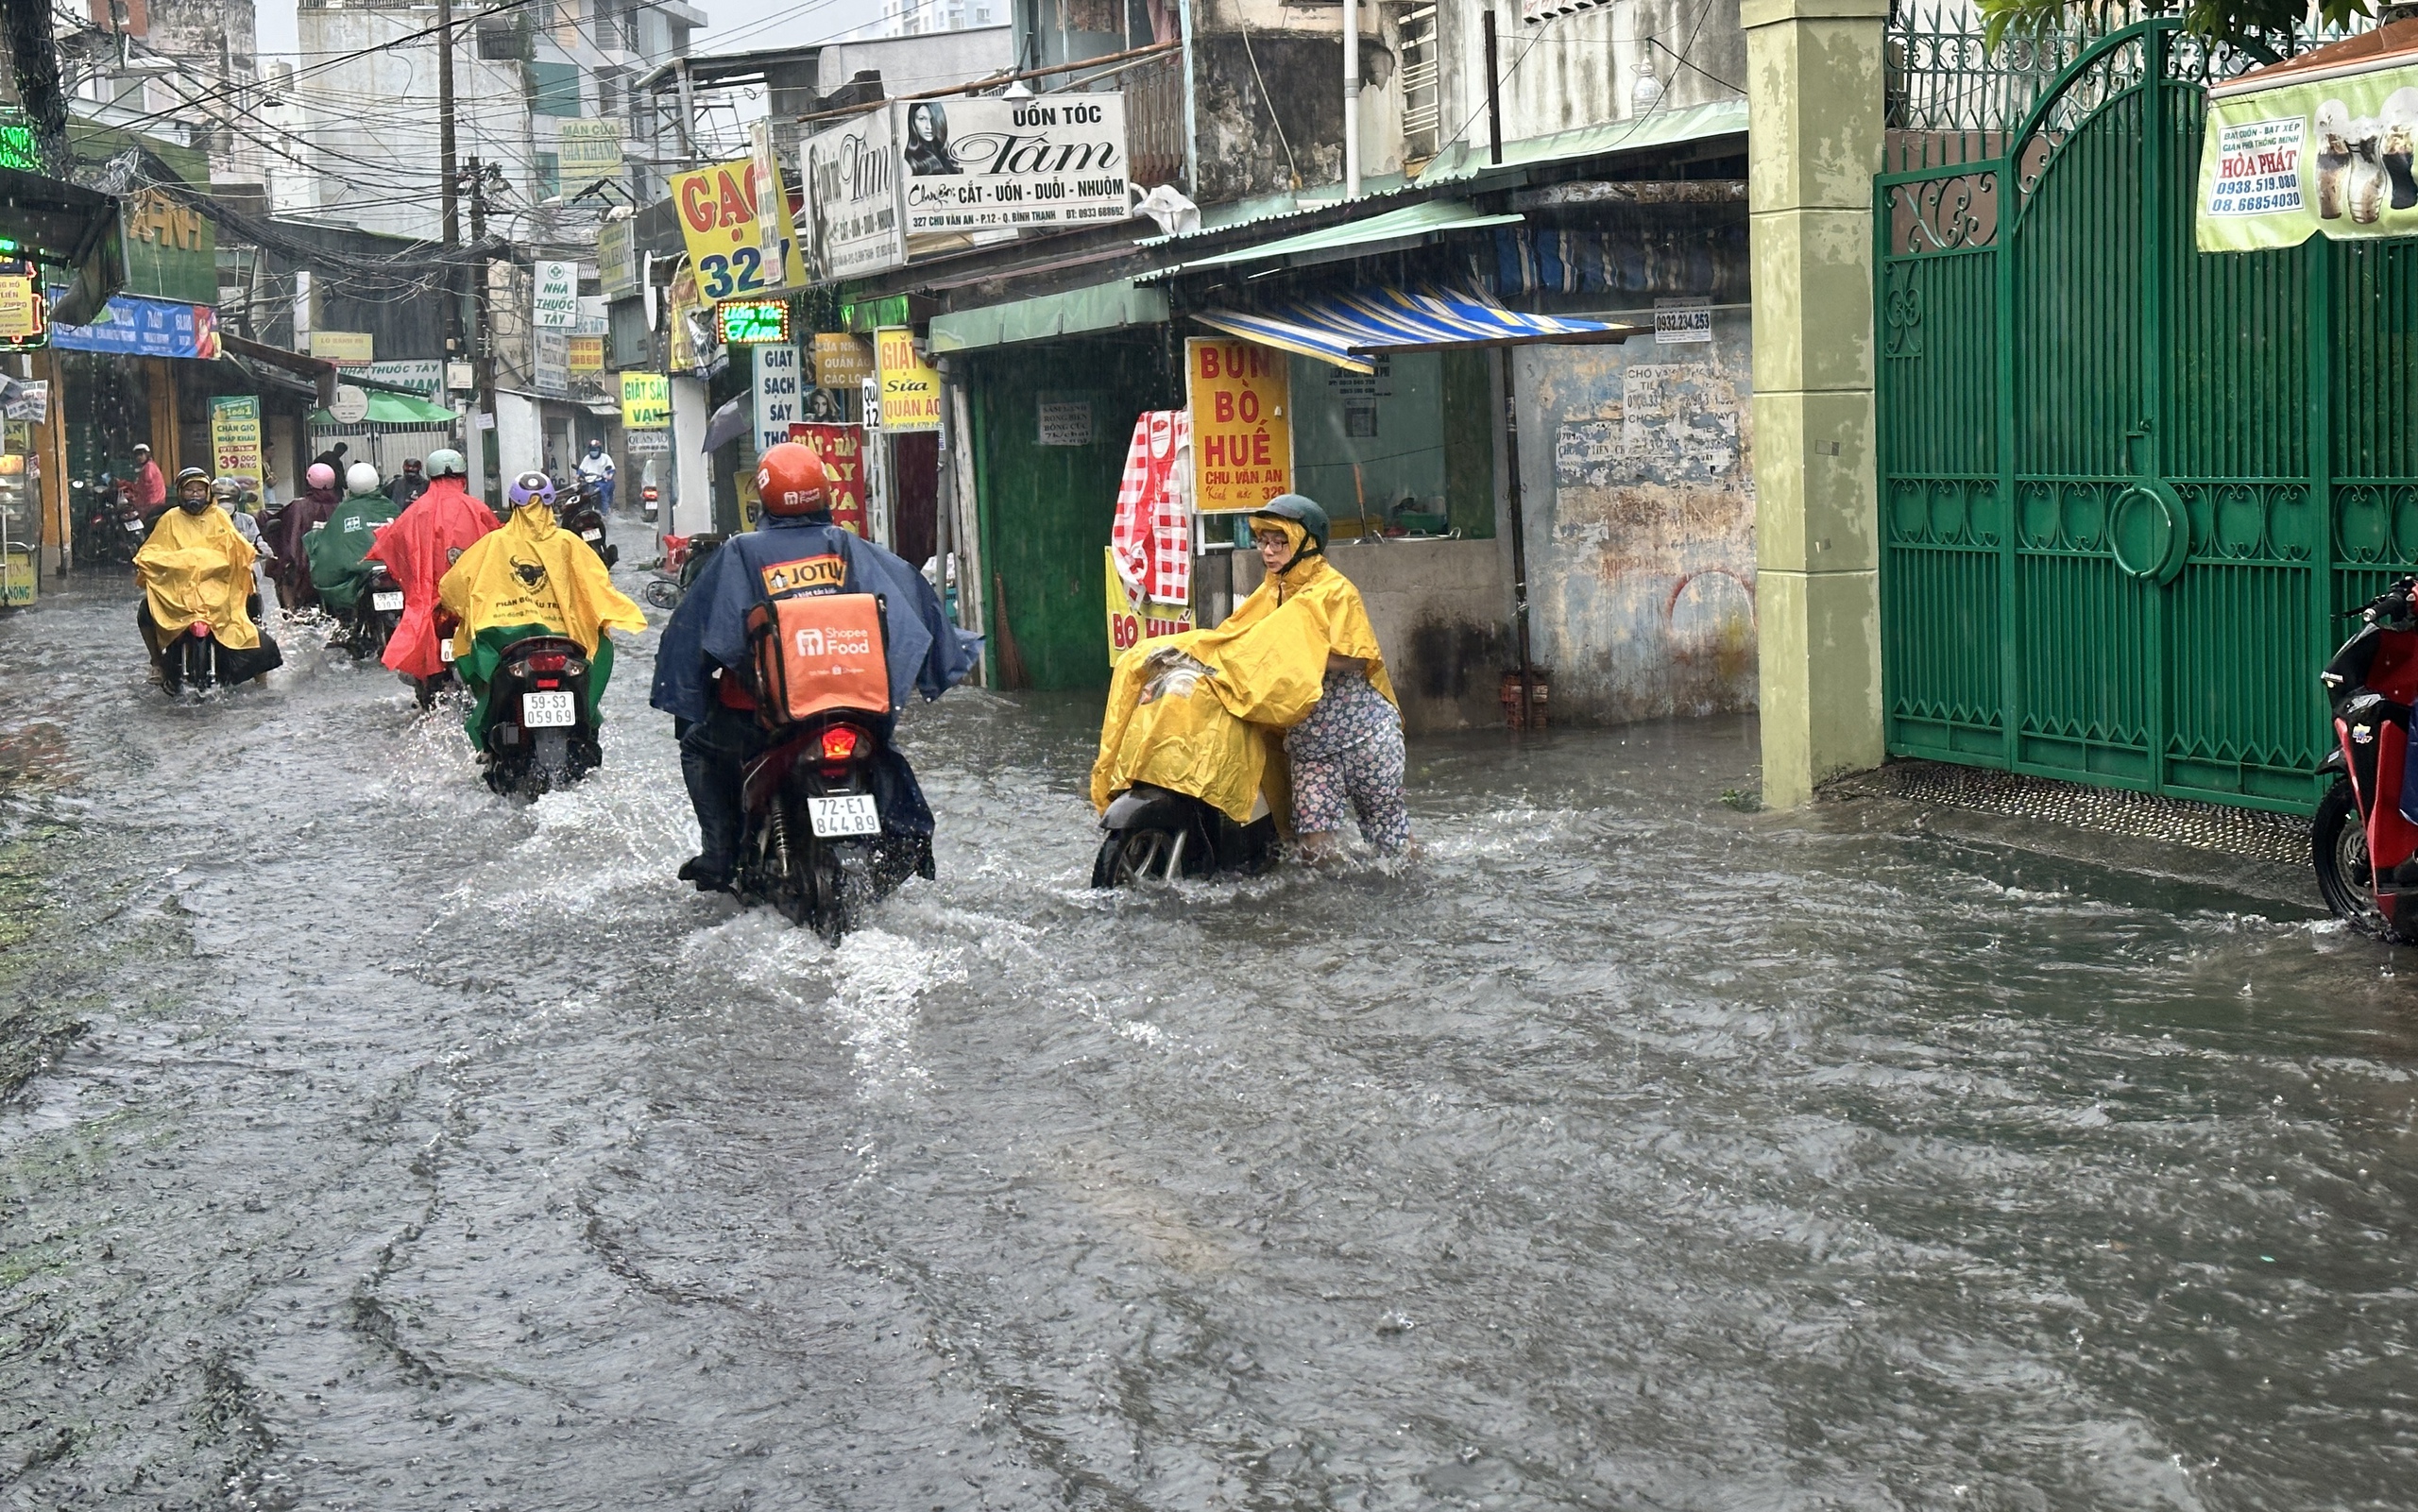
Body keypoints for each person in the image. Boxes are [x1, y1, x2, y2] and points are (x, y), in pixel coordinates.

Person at [651, 441, 980, 892]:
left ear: (762, 500)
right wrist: (943, 661)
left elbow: (691, 635)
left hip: (763, 720)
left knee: (698, 746)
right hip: (852, 709)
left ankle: (721, 854)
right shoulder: (851, 548)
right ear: (825, 495)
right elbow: (914, 606)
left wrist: (683, 691)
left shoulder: (741, 553)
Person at [1091, 494, 1410, 858]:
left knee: (1389, 838)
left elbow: (1358, 657)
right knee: (1313, 848)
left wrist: (1295, 656)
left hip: (1363, 737)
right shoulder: (1271, 591)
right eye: (1263, 541)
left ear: (1305, 543)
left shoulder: (1335, 591)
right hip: (1309, 747)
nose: (1269, 551)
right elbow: (1236, 641)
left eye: (1280, 541)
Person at [436, 469, 643, 751]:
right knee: (600, 648)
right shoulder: (569, 543)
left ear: (513, 505)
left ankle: (490, 744)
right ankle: (585, 726)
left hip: (504, 642)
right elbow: (598, 587)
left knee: (474, 662)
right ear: (550, 505)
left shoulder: (493, 543)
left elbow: (452, 586)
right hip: (565, 640)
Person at [133, 468, 283, 686]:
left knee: (255, 629)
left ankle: (262, 681)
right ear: (180, 492)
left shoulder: (219, 517)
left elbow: (236, 545)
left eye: (199, 490)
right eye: (189, 490)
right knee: (146, 610)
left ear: (207, 493)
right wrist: (148, 561)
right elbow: (153, 549)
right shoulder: (169, 520)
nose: (194, 495)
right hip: (179, 592)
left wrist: (252, 554)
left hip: (217, 590)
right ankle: (157, 663)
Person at [365, 448, 497, 690]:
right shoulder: (478, 509)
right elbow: (499, 546)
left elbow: (394, 546)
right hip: (472, 602)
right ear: (462, 477)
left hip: (430, 602)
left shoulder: (416, 511)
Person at [306, 461, 402, 615]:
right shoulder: (390, 507)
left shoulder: (344, 510)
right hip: (394, 571)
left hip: (363, 576)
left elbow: (330, 548)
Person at [267, 462, 341, 611]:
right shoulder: (341, 508)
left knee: (286, 570)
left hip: (304, 567)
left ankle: (290, 611)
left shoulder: (298, 506)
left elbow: (288, 536)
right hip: (334, 566)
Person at [128, 443, 167, 525]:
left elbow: (144, 487)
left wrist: (130, 490)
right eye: (137, 455)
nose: (139, 457)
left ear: (147, 454)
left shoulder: (148, 468)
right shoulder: (150, 466)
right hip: (155, 502)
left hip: (151, 503)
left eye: (141, 454)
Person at [574, 437, 615, 514]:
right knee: (581, 493)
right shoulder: (587, 458)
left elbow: (611, 469)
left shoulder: (605, 457)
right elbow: (581, 468)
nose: (593, 452)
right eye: (592, 450)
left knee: (603, 493)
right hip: (589, 481)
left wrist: (609, 475)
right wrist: (578, 475)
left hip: (602, 481)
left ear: (599, 450)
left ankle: (604, 513)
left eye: (595, 450)